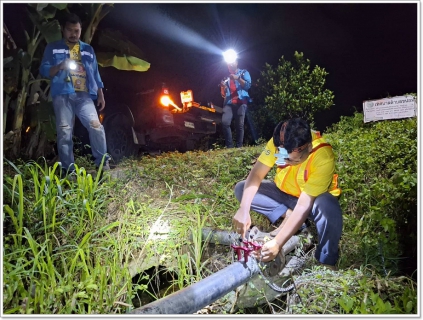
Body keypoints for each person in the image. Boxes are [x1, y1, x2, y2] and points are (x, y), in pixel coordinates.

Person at [232, 118, 343, 269]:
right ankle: (287, 215)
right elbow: (256, 174)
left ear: (308, 147)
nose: (286, 161)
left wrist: (277, 242)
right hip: (284, 195)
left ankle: (326, 260)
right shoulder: (281, 141)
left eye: (293, 160)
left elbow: (304, 204)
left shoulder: (323, 156)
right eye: (284, 157)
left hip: (313, 203)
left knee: (329, 208)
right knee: (242, 189)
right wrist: (243, 209)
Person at [40, 13, 109, 176]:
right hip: (62, 94)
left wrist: (100, 93)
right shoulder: (53, 47)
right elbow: (44, 70)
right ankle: (68, 169)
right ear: (63, 30)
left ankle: (103, 163)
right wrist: (59, 66)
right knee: (64, 131)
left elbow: (95, 72)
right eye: (70, 30)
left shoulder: (87, 49)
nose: (73, 34)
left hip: (84, 96)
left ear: (80, 30)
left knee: (96, 126)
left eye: (77, 31)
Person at [219, 59, 251, 148]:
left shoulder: (244, 73)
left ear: (236, 63)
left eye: (232, 62)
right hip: (228, 103)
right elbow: (223, 94)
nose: (230, 65)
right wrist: (223, 87)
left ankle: (239, 147)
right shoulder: (226, 78)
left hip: (241, 102)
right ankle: (229, 146)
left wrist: (238, 78)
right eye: (228, 64)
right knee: (225, 122)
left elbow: (248, 86)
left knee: (239, 125)